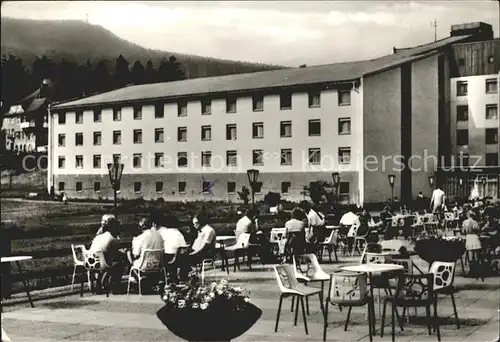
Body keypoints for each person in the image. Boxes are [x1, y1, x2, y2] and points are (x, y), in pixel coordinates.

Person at [88, 217, 125, 291]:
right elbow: (115, 252)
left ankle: (100, 279)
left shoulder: (98, 237)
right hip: (103, 264)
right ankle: (114, 285)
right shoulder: (112, 239)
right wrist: (123, 251)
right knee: (120, 263)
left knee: (109, 258)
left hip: (90, 262)